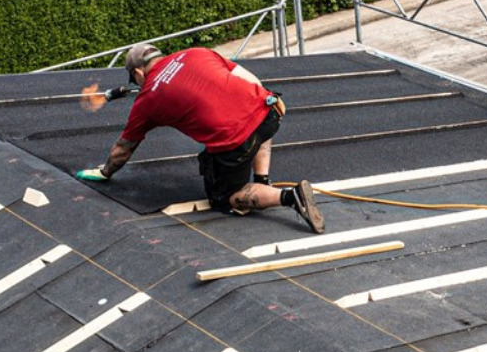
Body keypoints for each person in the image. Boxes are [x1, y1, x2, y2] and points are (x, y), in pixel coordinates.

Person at [77, 44, 323, 233]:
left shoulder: (147, 100)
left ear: (139, 72)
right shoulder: (197, 53)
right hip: (272, 109)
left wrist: (105, 172)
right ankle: (262, 180)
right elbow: (252, 81)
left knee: (226, 199)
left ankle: (291, 197)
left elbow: (122, 150)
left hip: (238, 138)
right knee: (255, 117)